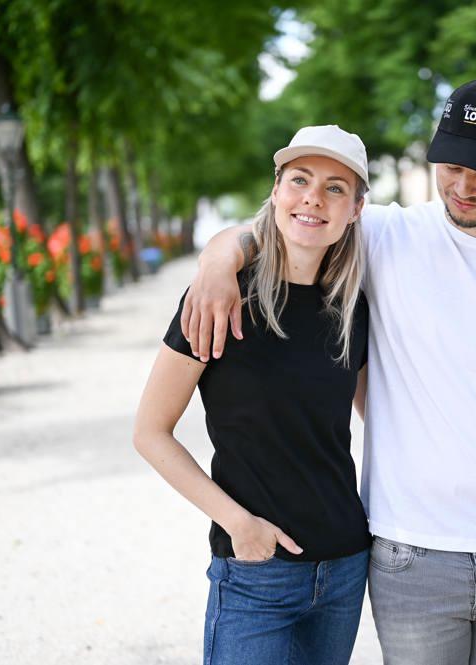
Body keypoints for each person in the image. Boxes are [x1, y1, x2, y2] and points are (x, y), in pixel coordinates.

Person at [182, 78, 476, 664]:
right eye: (452, 165)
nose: (463, 186)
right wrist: (217, 261)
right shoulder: (386, 235)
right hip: (410, 552)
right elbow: (290, 221)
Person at [133, 125, 374, 665]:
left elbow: (381, 418)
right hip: (255, 573)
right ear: (276, 189)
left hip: (343, 568)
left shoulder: (353, 309)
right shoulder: (219, 298)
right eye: (300, 180)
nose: (313, 197)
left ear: (356, 209)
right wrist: (238, 524)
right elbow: (150, 432)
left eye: (335, 188)